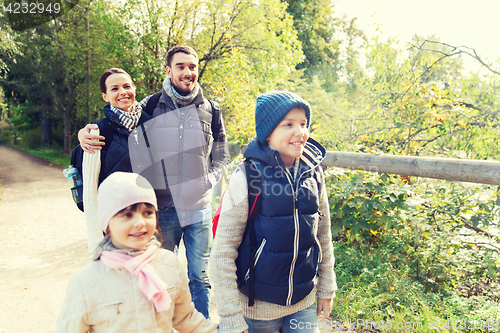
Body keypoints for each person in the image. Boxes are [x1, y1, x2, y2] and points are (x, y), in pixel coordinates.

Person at [77, 45, 230, 319]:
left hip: (200, 211)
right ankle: (162, 325)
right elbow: (118, 122)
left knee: (201, 278)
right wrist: (83, 135)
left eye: (192, 66)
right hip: (164, 211)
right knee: (159, 274)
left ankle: (202, 325)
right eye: (180, 66)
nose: (187, 72)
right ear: (169, 71)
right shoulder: (149, 106)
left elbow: (221, 156)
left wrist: (209, 181)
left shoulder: (212, 110)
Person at [210, 91, 337, 333]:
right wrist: (230, 317)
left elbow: (323, 235)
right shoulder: (247, 177)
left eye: (303, 123)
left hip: (304, 302)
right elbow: (223, 251)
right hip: (257, 309)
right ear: (268, 133)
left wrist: (326, 287)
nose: (300, 132)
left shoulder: (314, 174)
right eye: (288, 124)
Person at [54, 172, 218, 332]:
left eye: (147, 212)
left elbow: (186, 319)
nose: (140, 223)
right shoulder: (85, 283)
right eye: (127, 215)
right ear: (107, 222)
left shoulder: (169, 264)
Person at [72, 67, 153, 188]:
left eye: (126, 86)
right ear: (105, 96)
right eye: (114, 89)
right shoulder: (98, 131)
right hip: (114, 206)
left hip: (151, 205)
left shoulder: (152, 124)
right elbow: (89, 186)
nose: (123, 92)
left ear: (134, 89)